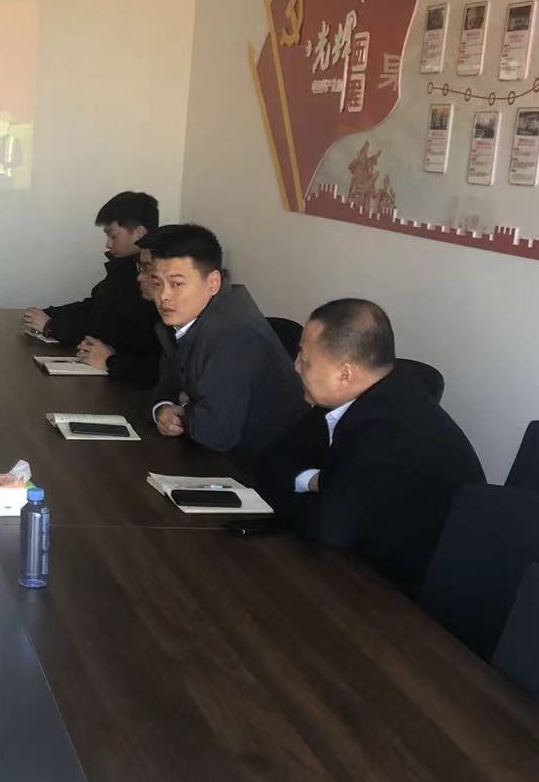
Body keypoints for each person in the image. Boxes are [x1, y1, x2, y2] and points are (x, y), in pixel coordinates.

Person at [259, 299, 485, 594]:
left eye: (306, 360)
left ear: (345, 374)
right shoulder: (349, 396)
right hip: (365, 559)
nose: (296, 367)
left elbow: (328, 529)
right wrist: (315, 482)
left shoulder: (391, 431)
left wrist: (316, 488)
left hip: (415, 592)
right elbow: (273, 461)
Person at [146, 223, 307, 461]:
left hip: (262, 466)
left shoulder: (235, 334)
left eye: (176, 284)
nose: (163, 296)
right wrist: (163, 408)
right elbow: (167, 386)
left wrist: (185, 411)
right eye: (157, 283)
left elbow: (215, 433)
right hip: (220, 455)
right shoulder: (184, 318)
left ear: (213, 283)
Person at [22, 191, 161, 384]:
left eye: (113, 236)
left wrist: (51, 326)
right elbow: (96, 306)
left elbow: (107, 326)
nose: (108, 244)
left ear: (138, 233)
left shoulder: (152, 282)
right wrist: (51, 315)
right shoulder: (125, 267)